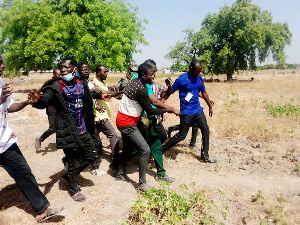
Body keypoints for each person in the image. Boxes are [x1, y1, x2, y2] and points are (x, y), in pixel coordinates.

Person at [0, 55, 62, 222]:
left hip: (4, 142)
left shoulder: (0, 82)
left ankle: (42, 210)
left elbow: (9, 108)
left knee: (24, 172)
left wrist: (27, 102)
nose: (3, 66)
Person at [28, 57, 99, 202]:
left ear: (74, 69)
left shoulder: (81, 84)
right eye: (61, 67)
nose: (62, 70)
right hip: (67, 130)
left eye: (66, 67)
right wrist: (37, 102)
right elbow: (45, 100)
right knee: (73, 162)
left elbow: (88, 101)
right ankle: (74, 189)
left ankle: (69, 172)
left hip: (83, 128)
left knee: (91, 155)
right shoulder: (56, 86)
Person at [115, 63, 177, 192]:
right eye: (151, 74)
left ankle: (119, 172)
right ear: (143, 75)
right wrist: (169, 110)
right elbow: (150, 110)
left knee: (129, 147)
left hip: (125, 120)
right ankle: (142, 184)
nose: (154, 76)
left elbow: (154, 101)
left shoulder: (136, 82)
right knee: (145, 149)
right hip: (127, 123)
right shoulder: (141, 89)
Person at [162, 59, 217, 163]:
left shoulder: (199, 78)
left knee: (205, 129)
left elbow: (203, 92)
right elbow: (171, 91)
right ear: (191, 69)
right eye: (197, 71)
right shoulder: (182, 79)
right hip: (187, 111)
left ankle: (205, 155)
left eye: (200, 71)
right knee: (181, 135)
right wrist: (162, 101)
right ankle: (160, 151)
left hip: (198, 110)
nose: (198, 73)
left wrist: (209, 104)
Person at [91, 65, 123, 174]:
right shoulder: (94, 84)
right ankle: (116, 161)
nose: (106, 74)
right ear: (98, 73)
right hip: (100, 116)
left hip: (100, 116)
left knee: (95, 142)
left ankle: (94, 166)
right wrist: (119, 92)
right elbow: (104, 95)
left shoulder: (101, 84)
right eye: (104, 72)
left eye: (107, 71)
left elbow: (107, 92)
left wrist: (116, 91)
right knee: (113, 136)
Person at [35, 68, 60, 151]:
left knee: (61, 127)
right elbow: (42, 94)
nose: (60, 76)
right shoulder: (48, 83)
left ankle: (59, 144)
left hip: (60, 109)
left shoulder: (62, 83)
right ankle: (39, 140)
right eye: (58, 74)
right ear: (54, 74)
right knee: (52, 128)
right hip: (51, 109)